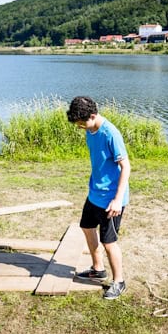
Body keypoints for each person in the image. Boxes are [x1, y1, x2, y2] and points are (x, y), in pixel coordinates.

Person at [67, 96, 131, 300]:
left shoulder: (110, 133)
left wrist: (117, 200)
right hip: (94, 193)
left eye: (81, 124)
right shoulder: (90, 129)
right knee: (86, 227)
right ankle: (98, 268)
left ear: (93, 116)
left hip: (111, 199)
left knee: (109, 242)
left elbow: (126, 167)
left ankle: (119, 281)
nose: (79, 128)